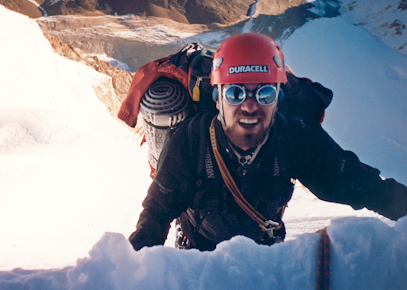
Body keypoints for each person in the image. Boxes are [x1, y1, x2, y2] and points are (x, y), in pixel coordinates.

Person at [128, 33, 407, 251]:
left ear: (279, 99)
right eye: (236, 93)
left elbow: (362, 185)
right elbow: (155, 216)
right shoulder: (190, 141)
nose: (250, 107)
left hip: (264, 260)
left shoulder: (295, 137)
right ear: (217, 98)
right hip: (199, 260)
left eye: (264, 94)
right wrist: (130, 272)